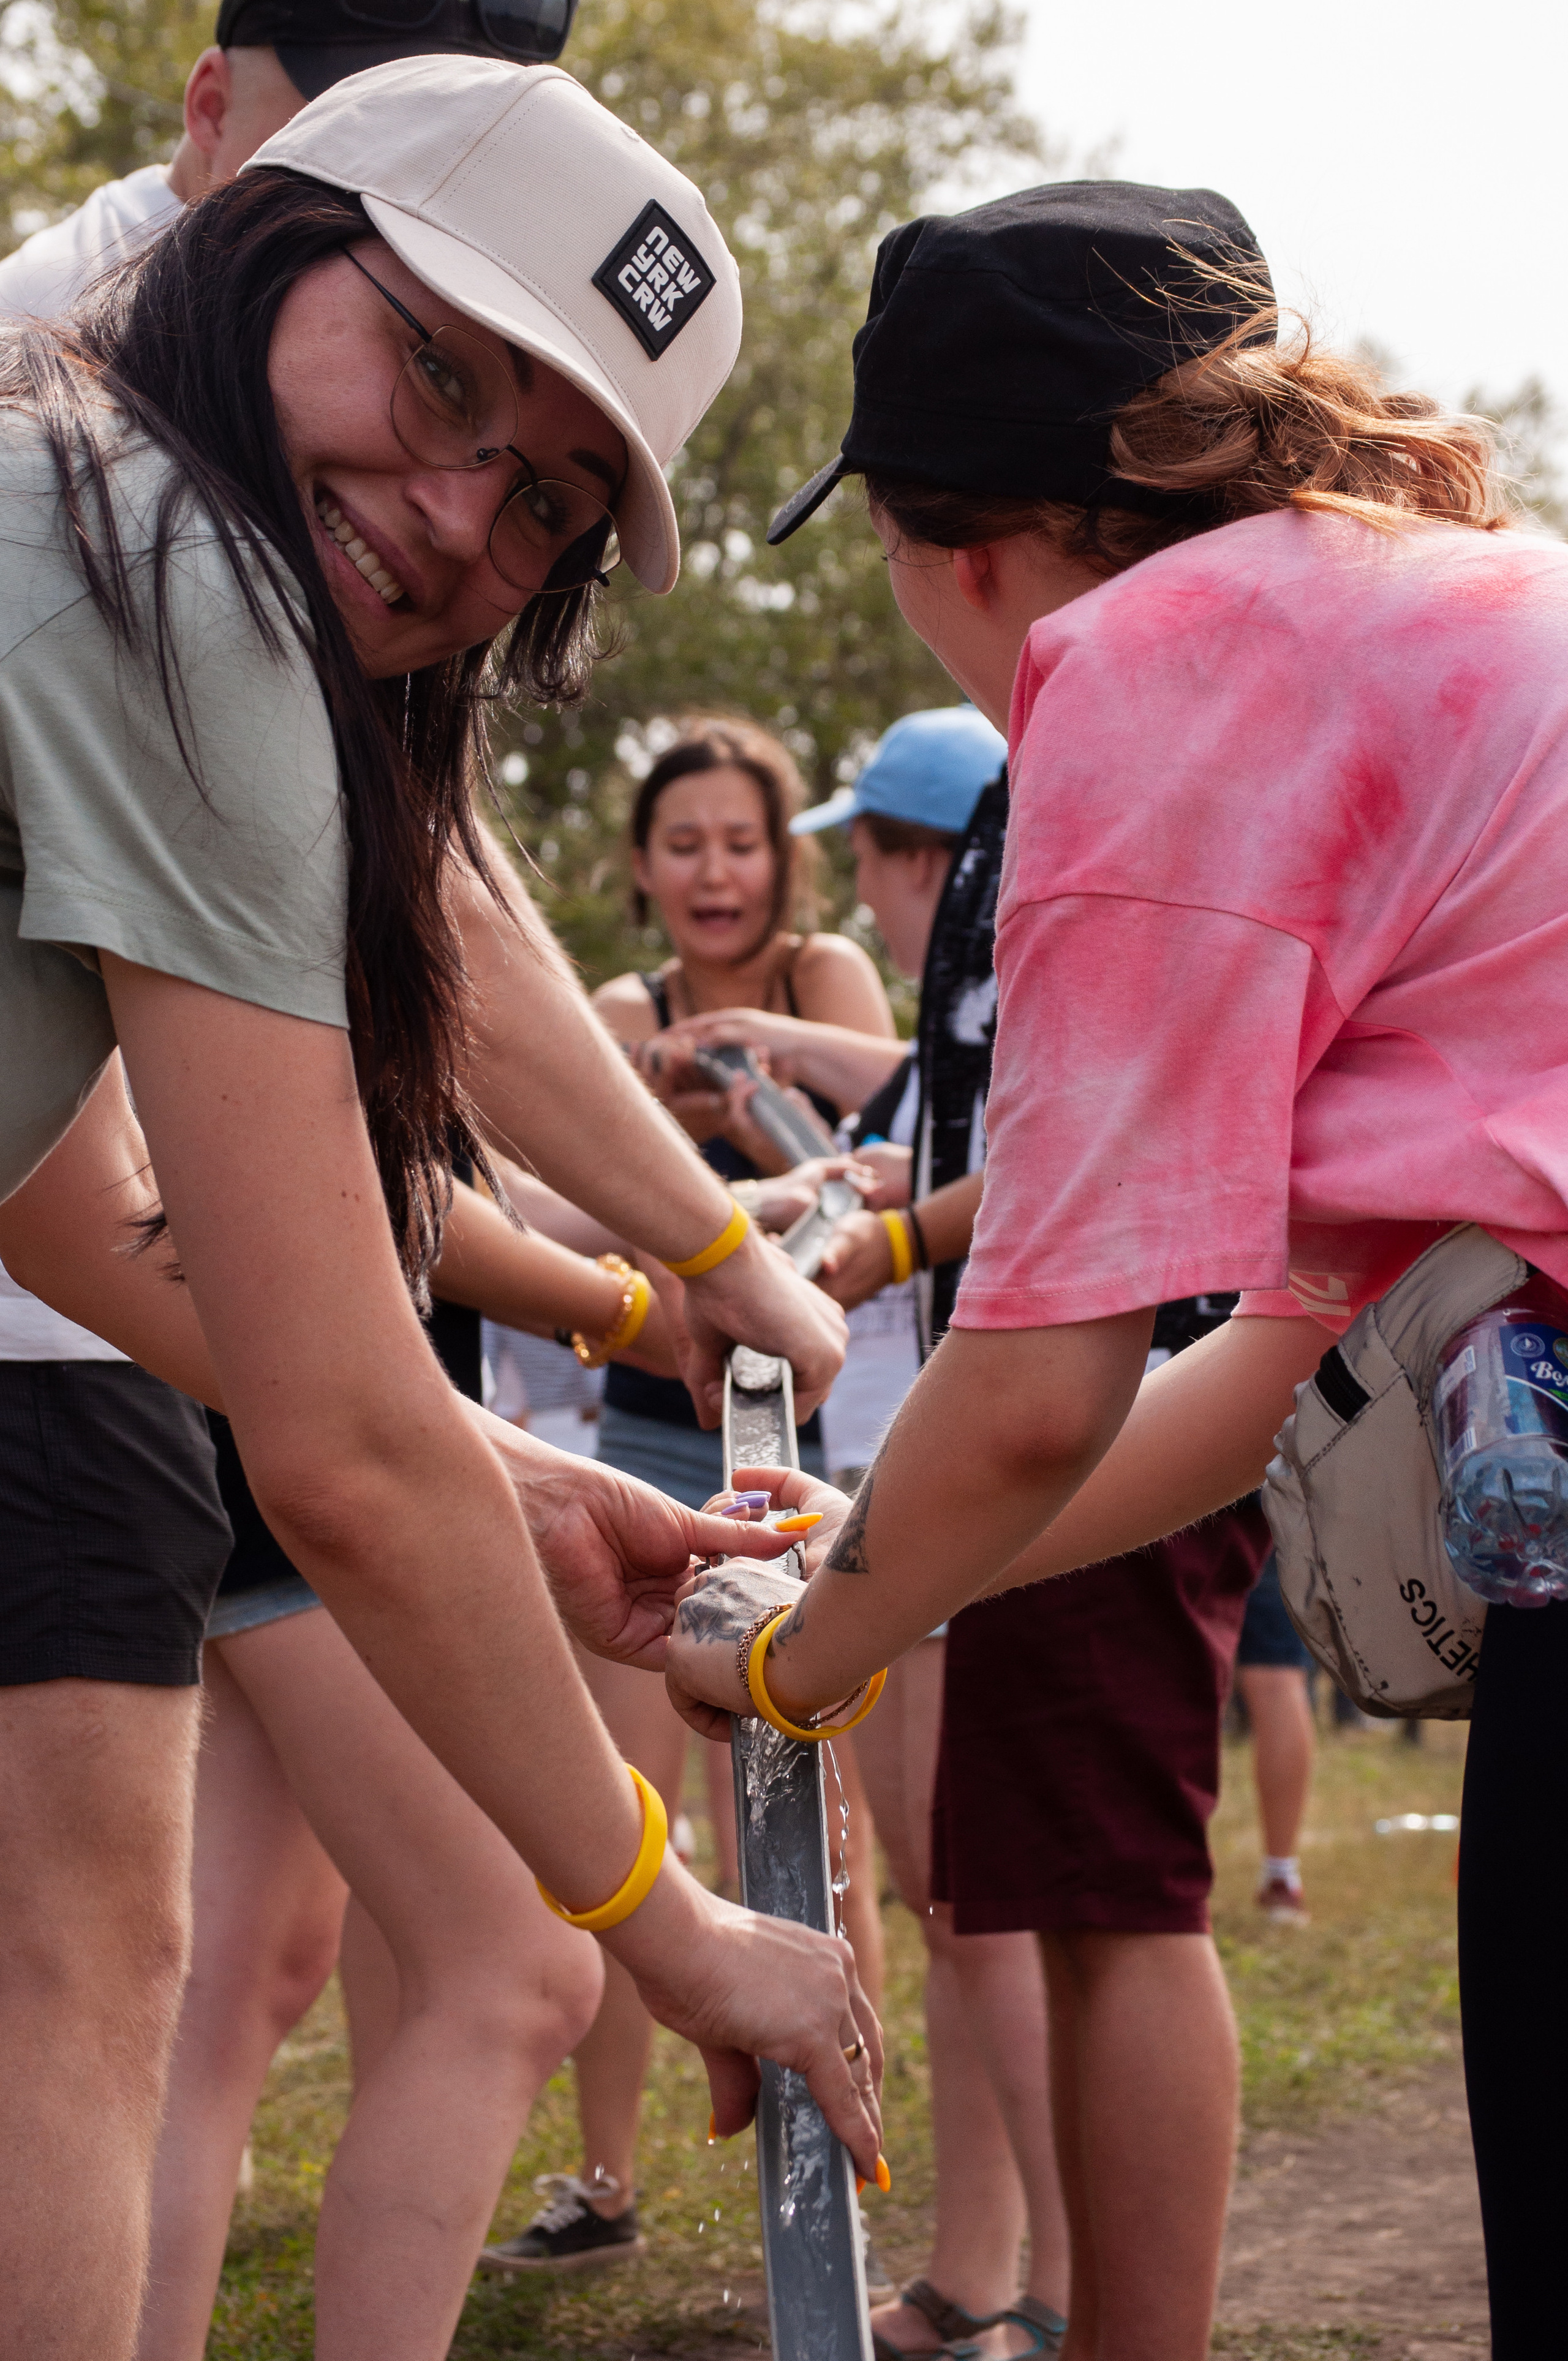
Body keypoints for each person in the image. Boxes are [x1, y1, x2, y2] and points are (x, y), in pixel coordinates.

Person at [0, 56, 880, 2359]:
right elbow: (341, 1458)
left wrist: (519, 1477)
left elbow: (72, 1223)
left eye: (551, 502)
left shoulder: (88, 502)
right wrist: (670, 1923)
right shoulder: (174, 578)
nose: (460, 512)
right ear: (273, 243)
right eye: (441, 369)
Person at [666, 178, 1568, 2361]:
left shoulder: (1151, 675)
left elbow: (1036, 1386)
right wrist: (872, 1566)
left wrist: (795, 1655)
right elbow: (1259, 1368)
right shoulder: (1457, 597)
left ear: (949, 546)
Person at [480, 719, 893, 2275]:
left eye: (741, 841)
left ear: (782, 861)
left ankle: (845, 2169)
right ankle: (604, 2176)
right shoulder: (609, 1014)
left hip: (809, 1455)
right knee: (618, 1814)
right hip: (646, 1444)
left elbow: (872, 1163)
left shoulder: (825, 981)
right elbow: (547, 1202)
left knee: (808, 1818)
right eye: (683, 843)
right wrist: (676, 1165)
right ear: (643, 869)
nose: (715, 870)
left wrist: (757, 1098)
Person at [1233, 1551, 1317, 1923]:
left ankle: (1160, 1863)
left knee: (1173, 1669)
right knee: (1278, 1677)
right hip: (1267, 1517)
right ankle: (1281, 1875)